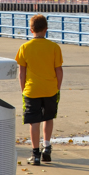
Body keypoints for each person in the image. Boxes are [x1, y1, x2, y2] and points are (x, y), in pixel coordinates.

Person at [15, 14, 64, 166]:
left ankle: (35, 154)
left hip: (32, 90)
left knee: (34, 121)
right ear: (46, 29)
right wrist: (57, 87)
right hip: (50, 89)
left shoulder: (24, 47)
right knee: (48, 118)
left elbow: (21, 73)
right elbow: (59, 71)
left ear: (31, 30)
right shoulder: (54, 47)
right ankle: (47, 147)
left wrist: (23, 89)